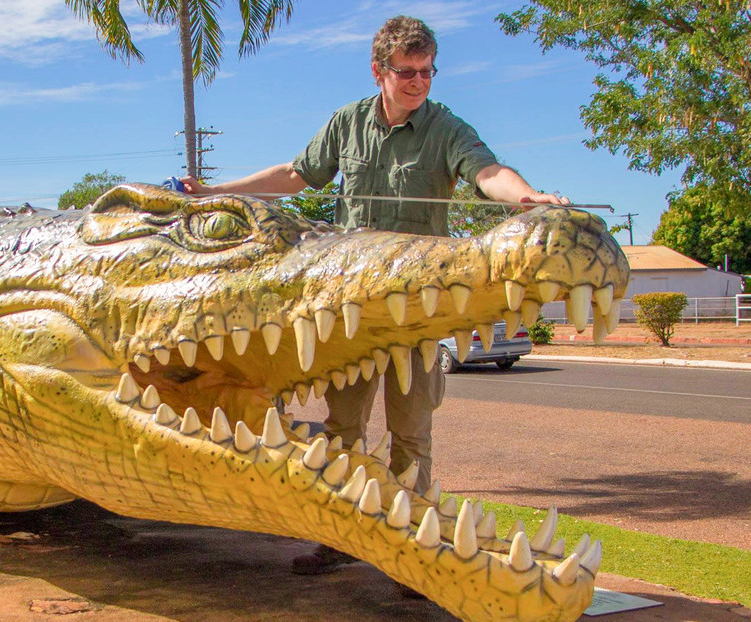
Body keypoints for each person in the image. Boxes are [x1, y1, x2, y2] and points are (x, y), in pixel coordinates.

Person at [181, 15, 569, 575]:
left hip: (418, 311)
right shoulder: (348, 123)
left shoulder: (446, 128)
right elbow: (296, 174)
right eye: (407, 72)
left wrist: (526, 197)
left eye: (427, 71)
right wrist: (217, 190)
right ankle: (341, 539)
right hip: (352, 308)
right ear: (379, 71)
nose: (419, 82)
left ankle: (416, 553)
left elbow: (488, 171)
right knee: (343, 430)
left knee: (411, 433)